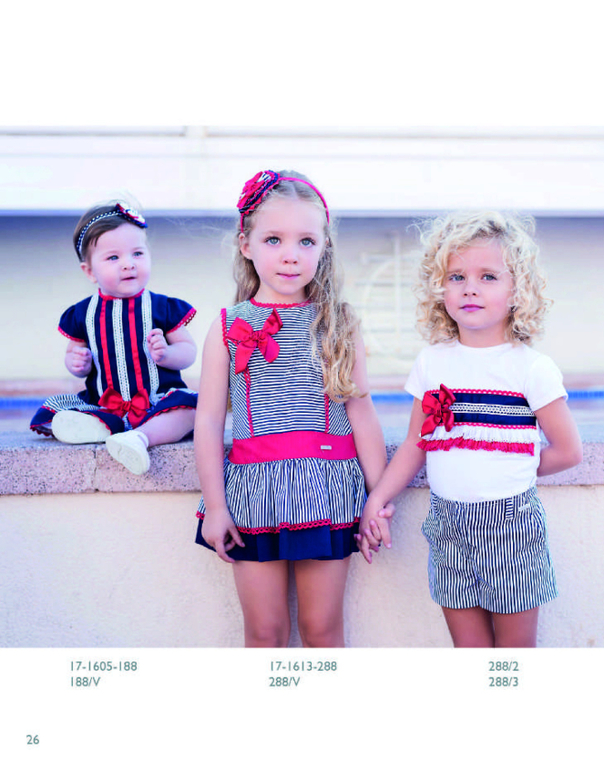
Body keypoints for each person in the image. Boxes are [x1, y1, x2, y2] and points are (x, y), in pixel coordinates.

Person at [357, 211, 582, 648]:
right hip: (448, 523)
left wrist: (509, 469)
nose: (470, 288)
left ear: (518, 290)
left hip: (511, 525)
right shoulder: (432, 362)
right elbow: (416, 443)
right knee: (470, 653)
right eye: (456, 276)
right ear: (439, 288)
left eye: (488, 277)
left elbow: (569, 450)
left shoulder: (530, 368)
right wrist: (377, 499)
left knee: (514, 655)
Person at [194, 170, 388, 647]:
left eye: (306, 241)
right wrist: (215, 507)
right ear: (246, 245)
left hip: (327, 492)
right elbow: (209, 421)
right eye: (274, 239)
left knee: (322, 629)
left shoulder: (339, 322)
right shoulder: (227, 326)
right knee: (265, 632)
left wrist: (379, 500)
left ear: (324, 247)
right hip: (252, 494)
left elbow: (362, 413)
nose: (290, 254)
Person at [30, 201, 198, 475]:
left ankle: (140, 437)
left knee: (191, 411)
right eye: (113, 258)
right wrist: (78, 363)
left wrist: (168, 354)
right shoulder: (83, 314)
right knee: (68, 413)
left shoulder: (162, 307)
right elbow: (73, 355)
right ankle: (101, 426)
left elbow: (188, 351)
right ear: (89, 271)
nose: (128, 264)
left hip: (157, 401)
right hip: (105, 403)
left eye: (137, 253)